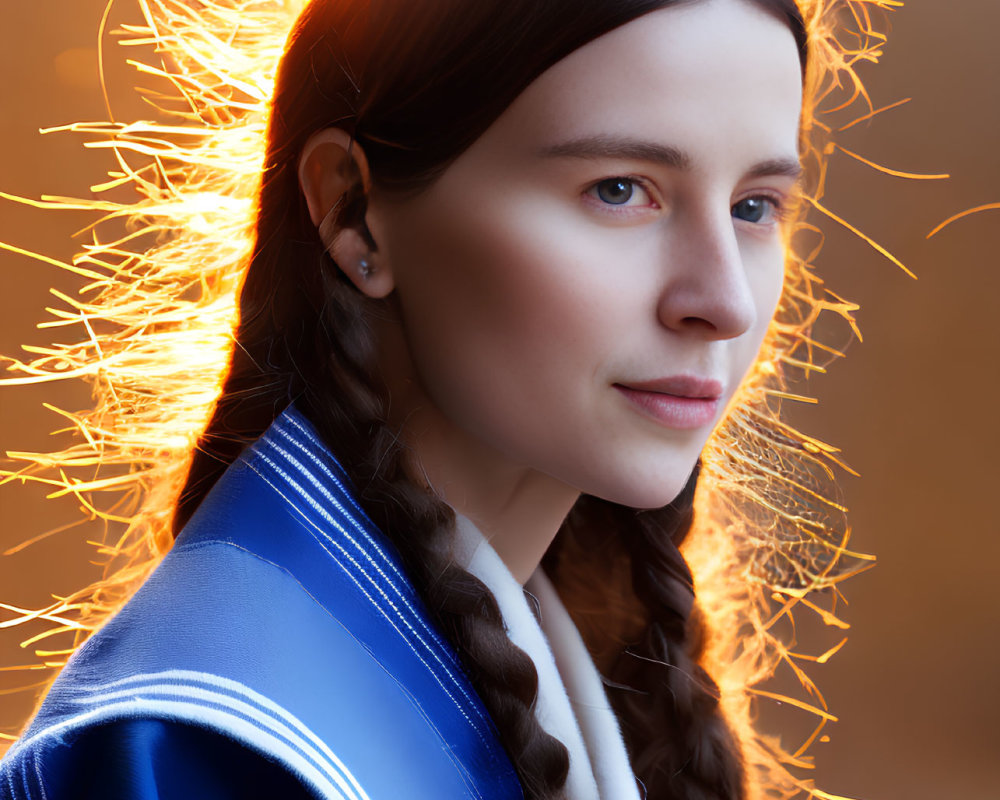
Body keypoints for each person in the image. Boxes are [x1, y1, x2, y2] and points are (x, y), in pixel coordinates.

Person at [0, 0, 821, 797]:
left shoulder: (569, 675)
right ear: (353, 212)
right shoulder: (204, 753)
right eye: (618, 190)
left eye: (755, 208)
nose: (724, 302)